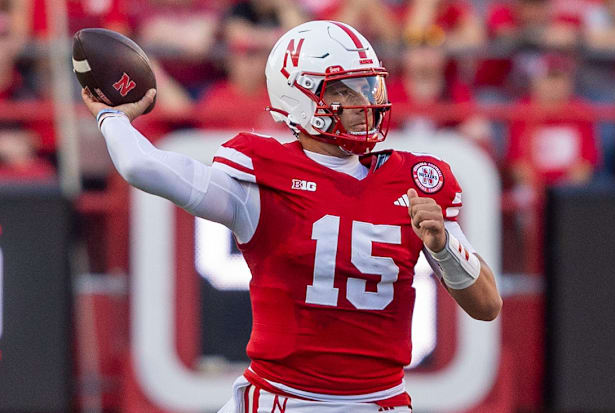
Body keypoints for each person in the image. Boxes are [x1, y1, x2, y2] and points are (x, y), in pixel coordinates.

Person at [81, 20, 502, 413]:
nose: (365, 103)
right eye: (344, 90)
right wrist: (112, 116)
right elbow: (143, 167)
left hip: (379, 401)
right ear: (298, 96)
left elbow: (487, 306)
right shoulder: (260, 176)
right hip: (278, 399)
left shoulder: (413, 181)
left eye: (369, 86)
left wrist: (444, 246)